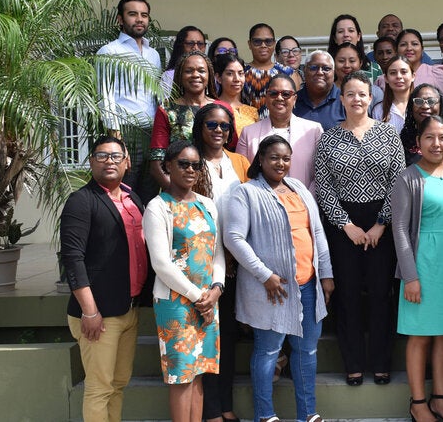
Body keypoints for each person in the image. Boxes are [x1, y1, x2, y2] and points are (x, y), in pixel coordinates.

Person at [224, 135, 334, 422]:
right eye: (274, 157)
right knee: (268, 350)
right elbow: (234, 238)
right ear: (260, 159)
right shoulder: (246, 192)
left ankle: (308, 414)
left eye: (286, 158)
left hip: (308, 285)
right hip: (273, 288)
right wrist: (265, 275)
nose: (281, 163)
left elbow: (317, 232)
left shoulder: (299, 188)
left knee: (307, 350)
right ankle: (265, 415)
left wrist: (326, 274)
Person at [315, 71, 404, 387]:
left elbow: (398, 181)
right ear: (342, 99)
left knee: (381, 294)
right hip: (343, 225)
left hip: (382, 222)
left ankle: (381, 362)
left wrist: (381, 223)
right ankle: (352, 363)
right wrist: (346, 224)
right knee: (348, 295)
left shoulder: (388, 134)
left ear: (370, 97)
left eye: (362, 94)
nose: (356, 99)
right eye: (350, 93)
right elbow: (324, 186)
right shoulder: (328, 138)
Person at [62, 136, 150, 422]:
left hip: (129, 307)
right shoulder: (81, 201)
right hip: (98, 315)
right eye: (101, 156)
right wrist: (89, 311)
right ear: (91, 162)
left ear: (127, 162)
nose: (109, 161)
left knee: (118, 383)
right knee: (99, 388)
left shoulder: (132, 198)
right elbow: (72, 259)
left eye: (115, 156)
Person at [392, 115, 443, 422]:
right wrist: (410, 276)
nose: (436, 143)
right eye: (429, 137)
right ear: (418, 142)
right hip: (422, 264)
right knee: (420, 335)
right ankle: (418, 403)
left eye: (442, 137)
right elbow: (400, 229)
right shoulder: (408, 177)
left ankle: (440, 400)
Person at [142, 140, 225, 422]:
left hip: (208, 301)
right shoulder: (158, 207)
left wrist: (217, 289)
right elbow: (161, 264)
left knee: (199, 372)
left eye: (196, 165)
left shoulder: (207, 204)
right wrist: (197, 295)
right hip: (176, 303)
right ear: (168, 166)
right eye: (183, 164)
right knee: (181, 376)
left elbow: (217, 253)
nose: (191, 170)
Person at [191, 104, 250, 422]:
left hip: (235, 261)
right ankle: (211, 409)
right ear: (200, 127)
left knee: (227, 335)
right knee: (207, 336)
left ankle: (225, 405)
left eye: (224, 126)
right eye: (211, 124)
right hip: (201, 262)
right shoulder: (190, 161)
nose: (218, 130)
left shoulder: (240, 162)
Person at [96, 0, 162, 205]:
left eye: (144, 15)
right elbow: (105, 97)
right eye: (133, 14)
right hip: (125, 132)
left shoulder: (154, 55)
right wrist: (118, 142)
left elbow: (156, 96)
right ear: (120, 19)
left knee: (150, 198)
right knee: (124, 195)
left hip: (152, 133)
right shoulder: (109, 51)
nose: (139, 19)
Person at [149, 50, 222, 190]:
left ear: (209, 75)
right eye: (189, 71)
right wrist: (179, 194)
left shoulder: (221, 108)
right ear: (180, 75)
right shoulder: (167, 110)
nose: (195, 75)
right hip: (177, 188)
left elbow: (231, 152)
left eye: (201, 71)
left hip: (218, 186)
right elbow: (156, 163)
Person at [239, 74, 323, 190]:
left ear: (295, 99)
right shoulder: (248, 133)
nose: (279, 98)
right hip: (260, 198)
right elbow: (242, 174)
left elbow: (320, 175)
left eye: (286, 94)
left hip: (304, 198)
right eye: (273, 93)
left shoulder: (314, 131)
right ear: (266, 98)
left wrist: (306, 198)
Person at [378, 29, 443, 101]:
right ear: (396, 50)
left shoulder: (436, 73)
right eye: (403, 45)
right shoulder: (383, 79)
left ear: (422, 49)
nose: (409, 48)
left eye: (414, 44)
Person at [244, 23, 294, 119]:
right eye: (257, 41)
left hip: (280, 125)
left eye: (268, 41)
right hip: (248, 125)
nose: (263, 45)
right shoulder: (241, 71)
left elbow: (295, 105)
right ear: (250, 44)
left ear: (274, 43)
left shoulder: (287, 72)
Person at [293, 50, 345, 131]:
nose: (320, 72)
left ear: (334, 73)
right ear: (304, 71)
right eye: (313, 68)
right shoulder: (292, 100)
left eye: (326, 69)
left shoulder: (345, 101)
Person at [331, 42, 383, 116]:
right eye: (341, 61)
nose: (347, 65)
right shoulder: (326, 92)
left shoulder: (375, 93)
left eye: (352, 61)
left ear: (360, 63)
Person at [326, 14, 382, 83]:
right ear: (335, 38)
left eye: (351, 30)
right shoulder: (325, 69)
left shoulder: (375, 69)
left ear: (358, 36)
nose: (346, 35)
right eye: (340, 31)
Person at [214, 53, 259, 137]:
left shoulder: (252, 111)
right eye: (230, 74)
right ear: (218, 78)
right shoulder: (213, 108)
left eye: (240, 73)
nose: (237, 79)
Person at [367, 14, 433, 65]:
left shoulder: (415, 54)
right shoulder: (369, 58)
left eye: (395, 25)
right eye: (385, 26)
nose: (390, 29)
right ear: (378, 34)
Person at [161, 26, 207, 98]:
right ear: (180, 46)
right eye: (190, 43)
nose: (196, 48)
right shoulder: (169, 76)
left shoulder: (210, 74)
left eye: (200, 44)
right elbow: (165, 103)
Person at [373, 56, 415, 132]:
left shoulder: (420, 105)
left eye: (404, 72)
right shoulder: (379, 110)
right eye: (393, 73)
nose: (399, 76)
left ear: (413, 76)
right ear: (386, 78)